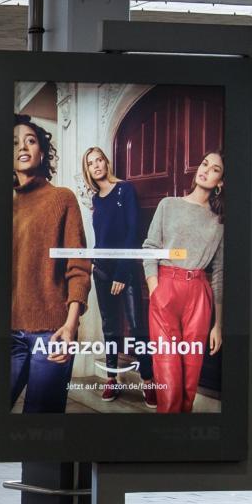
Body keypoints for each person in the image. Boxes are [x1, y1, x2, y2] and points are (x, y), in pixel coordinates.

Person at [12, 114, 91, 413]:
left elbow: (79, 267)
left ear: (42, 152)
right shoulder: (3, 206)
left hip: (53, 331)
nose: (22, 146)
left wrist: (71, 325)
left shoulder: (62, 198)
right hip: (8, 332)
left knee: (41, 425)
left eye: (30, 141)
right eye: (15, 142)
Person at [142, 151, 226, 413]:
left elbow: (220, 271)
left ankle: (181, 445)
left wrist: (218, 325)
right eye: (204, 164)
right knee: (169, 383)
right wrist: (156, 289)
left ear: (220, 182)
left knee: (189, 386)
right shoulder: (168, 205)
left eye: (214, 169)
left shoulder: (219, 222)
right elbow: (150, 248)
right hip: (166, 288)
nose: (205, 170)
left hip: (199, 297)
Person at [82, 147, 156, 408]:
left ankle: (149, 382)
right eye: (91, 163)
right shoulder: (96, 199)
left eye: (99, 159)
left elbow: (133, 232)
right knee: (110, 328)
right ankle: (111, 379)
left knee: (137, 329)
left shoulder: (126, 189)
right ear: (88, 170)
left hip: (125, 271)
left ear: (106, 162)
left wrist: (123, 274)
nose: (96, 165)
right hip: (101, 271)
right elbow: (102, 240)